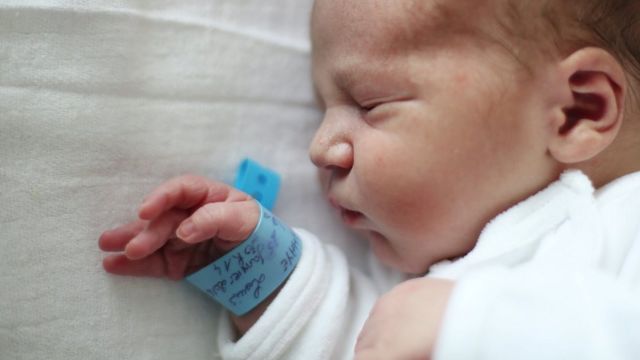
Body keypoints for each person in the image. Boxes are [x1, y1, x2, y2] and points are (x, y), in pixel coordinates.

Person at [99, 0, 640, 358]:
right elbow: (357, 341)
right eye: (322, 111)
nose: (319, 148)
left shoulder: (626, 223)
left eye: (370, 103)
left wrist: (467, 325)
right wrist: (259, 278)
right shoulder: (418, 280)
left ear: (576, 110)